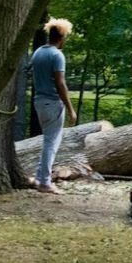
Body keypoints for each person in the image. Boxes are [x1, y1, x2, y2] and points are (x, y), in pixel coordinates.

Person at [28, 18, 77, 193]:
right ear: (62, 37)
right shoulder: (57, 55)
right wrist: (71, 109)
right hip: (52, 103)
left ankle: (40, 177)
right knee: (51, 143)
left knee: (48, 141)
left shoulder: (38, 52)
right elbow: (60, 83)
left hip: (39, 102)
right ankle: (45, 182)